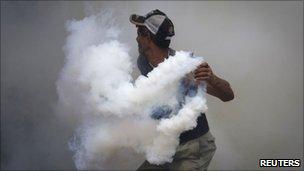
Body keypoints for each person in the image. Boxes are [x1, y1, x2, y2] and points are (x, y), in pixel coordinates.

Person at [130, 9, 234, 171]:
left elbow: (228, 96)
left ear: (149, 38)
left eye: (139, 33)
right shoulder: (143, 61)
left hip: (193, 149)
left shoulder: (186, 66)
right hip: (165, 145)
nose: (137, 38)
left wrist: (211, 78)